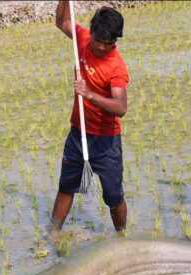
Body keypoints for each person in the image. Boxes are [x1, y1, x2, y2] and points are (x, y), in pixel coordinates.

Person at [50, 1, 130, 237]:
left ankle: (122, 236)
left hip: (106, 141)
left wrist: (89, 94)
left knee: (113, 196)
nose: (100, 47)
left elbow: (121, 107)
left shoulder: (117, 67)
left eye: (107, 44)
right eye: (97, 41)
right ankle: (52, 234)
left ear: (115, 41)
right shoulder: (84, 39)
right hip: (79, 133)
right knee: (66, 186)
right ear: (92, 32)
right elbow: (62, 22)